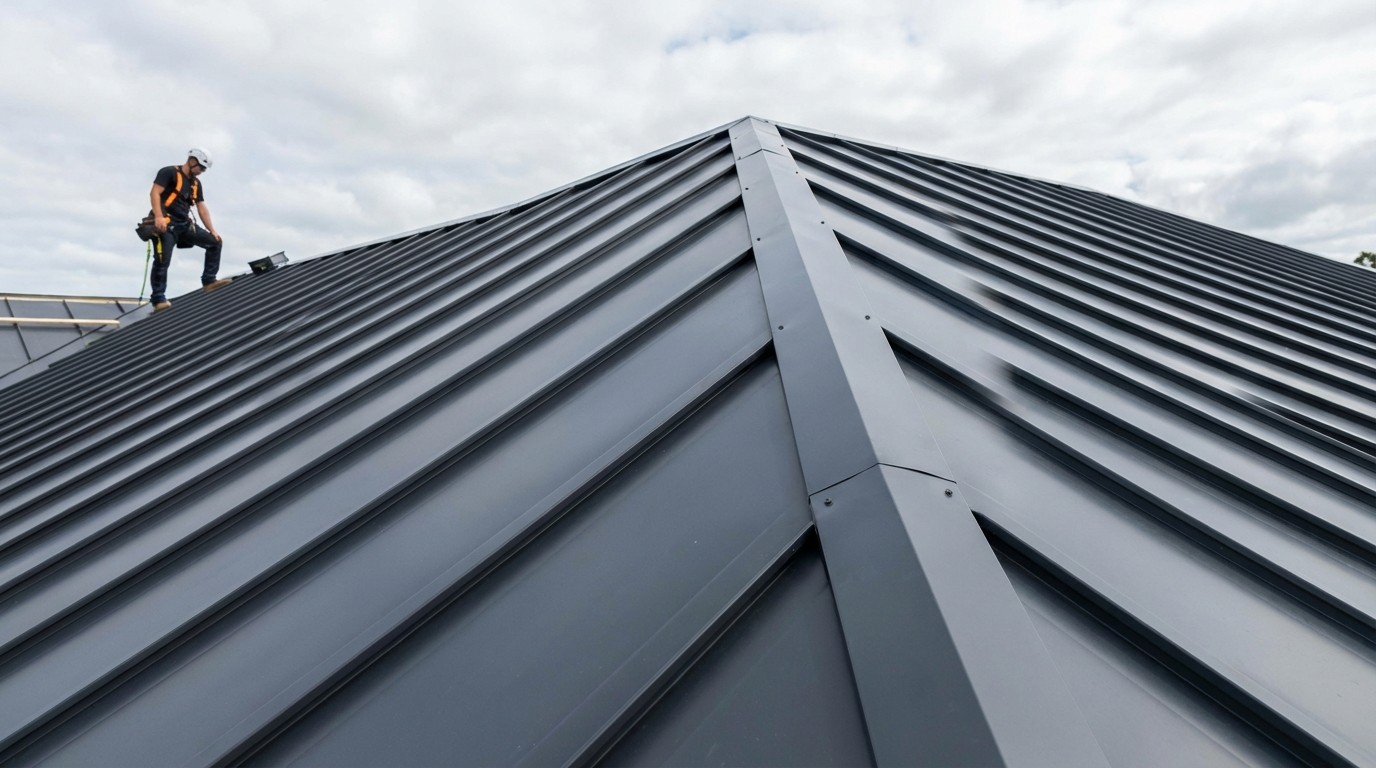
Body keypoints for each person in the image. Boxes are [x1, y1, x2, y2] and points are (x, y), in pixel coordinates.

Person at [147, 148, 231, 311]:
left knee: (215, 243)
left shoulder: (195, 183)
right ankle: (158, 299)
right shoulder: (169, 172)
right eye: (201, 167)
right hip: (166, 223)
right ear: (192, 161)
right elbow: (155, 193)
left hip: (184, 224)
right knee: (162, 261)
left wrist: (212, 230)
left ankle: (209, 281)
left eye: (204, 169)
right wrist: (158, 216)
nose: (201, 171)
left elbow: (201, 207)